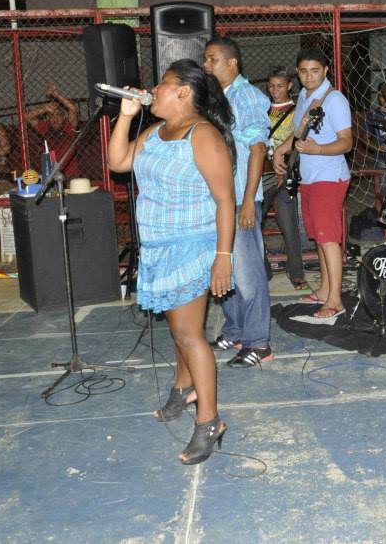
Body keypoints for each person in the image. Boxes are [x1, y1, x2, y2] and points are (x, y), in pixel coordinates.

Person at [108, 59, 235, 465]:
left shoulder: (203, 135)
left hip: (192, 245)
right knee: (177, 327)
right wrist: (126, 116)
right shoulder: (155, 131)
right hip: (159, 246)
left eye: (162, 84)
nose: (153, 90)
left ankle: (210, 421)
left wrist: (223, 257)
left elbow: (225, 201)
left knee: (189, 334)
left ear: (183, 91)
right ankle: (183, 387)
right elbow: (118, 163)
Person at [203, 36, 274, 367]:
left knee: (247, 273)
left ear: (232, 63)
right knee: (224, 267)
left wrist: (248, 202)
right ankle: (235, 330)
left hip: (240, 198)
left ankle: (259, 342)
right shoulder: (220, 97)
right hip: (221, 200)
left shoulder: (247, 96)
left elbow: (257, 149)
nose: (206, 65)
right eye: (206, 59)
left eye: (212, 59)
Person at [273, 47, 353, 321]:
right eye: (304, 71)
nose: (309, 77)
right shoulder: (305, 97)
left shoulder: (334, 100)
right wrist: (281, 149)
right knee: (319, 237)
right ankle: (324, 290)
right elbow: (299, 134)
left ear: (326, 71)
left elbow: (347, 142)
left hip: (328, 177)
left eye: (315, 71)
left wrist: (318, 150)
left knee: (328, 238)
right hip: (309, 177)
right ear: (297, 73)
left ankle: (335, 300)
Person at [262, 66, 310, 290]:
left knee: (289, 225)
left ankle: (297, 273)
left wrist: (285, 170)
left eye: (280, 86)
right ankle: (263, 269)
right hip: (263, 174)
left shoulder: (297, 110)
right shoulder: (262, 109)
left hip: (287, 174)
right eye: (271, 86)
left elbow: (299, 142)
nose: (275, 90)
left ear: (290, 86)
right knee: (252, 225)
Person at [26, 83, 81, 179]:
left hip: (70, 173)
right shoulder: (45, 127)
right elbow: (26, 117)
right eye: (51, 116)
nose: (55, 119)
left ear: (63, 117)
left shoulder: (68, 125)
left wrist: (56, 94)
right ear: (47, 118)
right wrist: (44, 109)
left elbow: (72, 108)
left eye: (58, 115)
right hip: (50, 172)